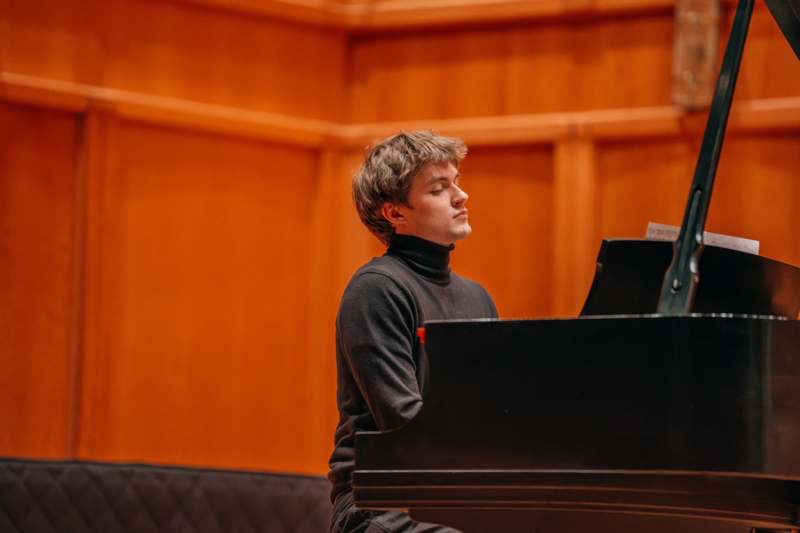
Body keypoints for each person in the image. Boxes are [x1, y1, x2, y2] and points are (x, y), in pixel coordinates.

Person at [328, 131, 498, 533]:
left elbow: (493, 410)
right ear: (395, 213)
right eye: (439, 189)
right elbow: (404, 422)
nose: (460, 196)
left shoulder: (477, 297)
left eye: (456, 182)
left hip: (454, 493)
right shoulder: (376, 289)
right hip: (382, 504)